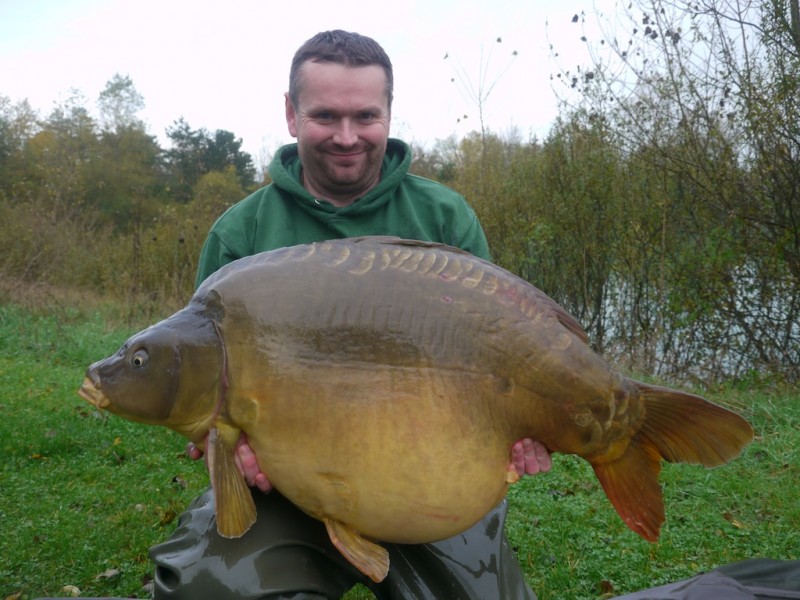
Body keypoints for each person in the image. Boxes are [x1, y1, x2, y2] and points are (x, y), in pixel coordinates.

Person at [150, 30, 552, 600]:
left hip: (426, 481)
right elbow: (207, 384)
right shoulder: (241, 235)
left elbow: (499, 359)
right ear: (291, 115)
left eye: (365, 115)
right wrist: (228, 445)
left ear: (389, 112)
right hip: (285, 486)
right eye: (325, 116)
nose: (346, 137)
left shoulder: (445, 219)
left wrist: (522, 429)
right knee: (204, 586)